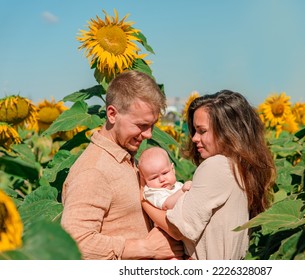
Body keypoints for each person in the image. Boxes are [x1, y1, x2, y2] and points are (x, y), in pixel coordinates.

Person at [60, 70, 183, 260]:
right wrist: (146, 249)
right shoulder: (94, 170)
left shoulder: (125, 158)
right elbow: (74, 243)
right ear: (112, 114)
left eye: (152, 125)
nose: (149, 134)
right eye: (141, 125)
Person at [142, 89, 276, 260]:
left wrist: (144, 199)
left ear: (227, 131)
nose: (194, 138)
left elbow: (178, 229)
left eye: (202, 131)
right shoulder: (241, 168)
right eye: (195, 131)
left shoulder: (217, 165)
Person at [138, 146, 192, 211]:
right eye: (154, 177)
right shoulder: (152, 193)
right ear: (144, 179)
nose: (162, 180)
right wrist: (182, 191)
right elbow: (167, 205)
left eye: (165, 173)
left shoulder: (178, 185)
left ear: (173, 169)